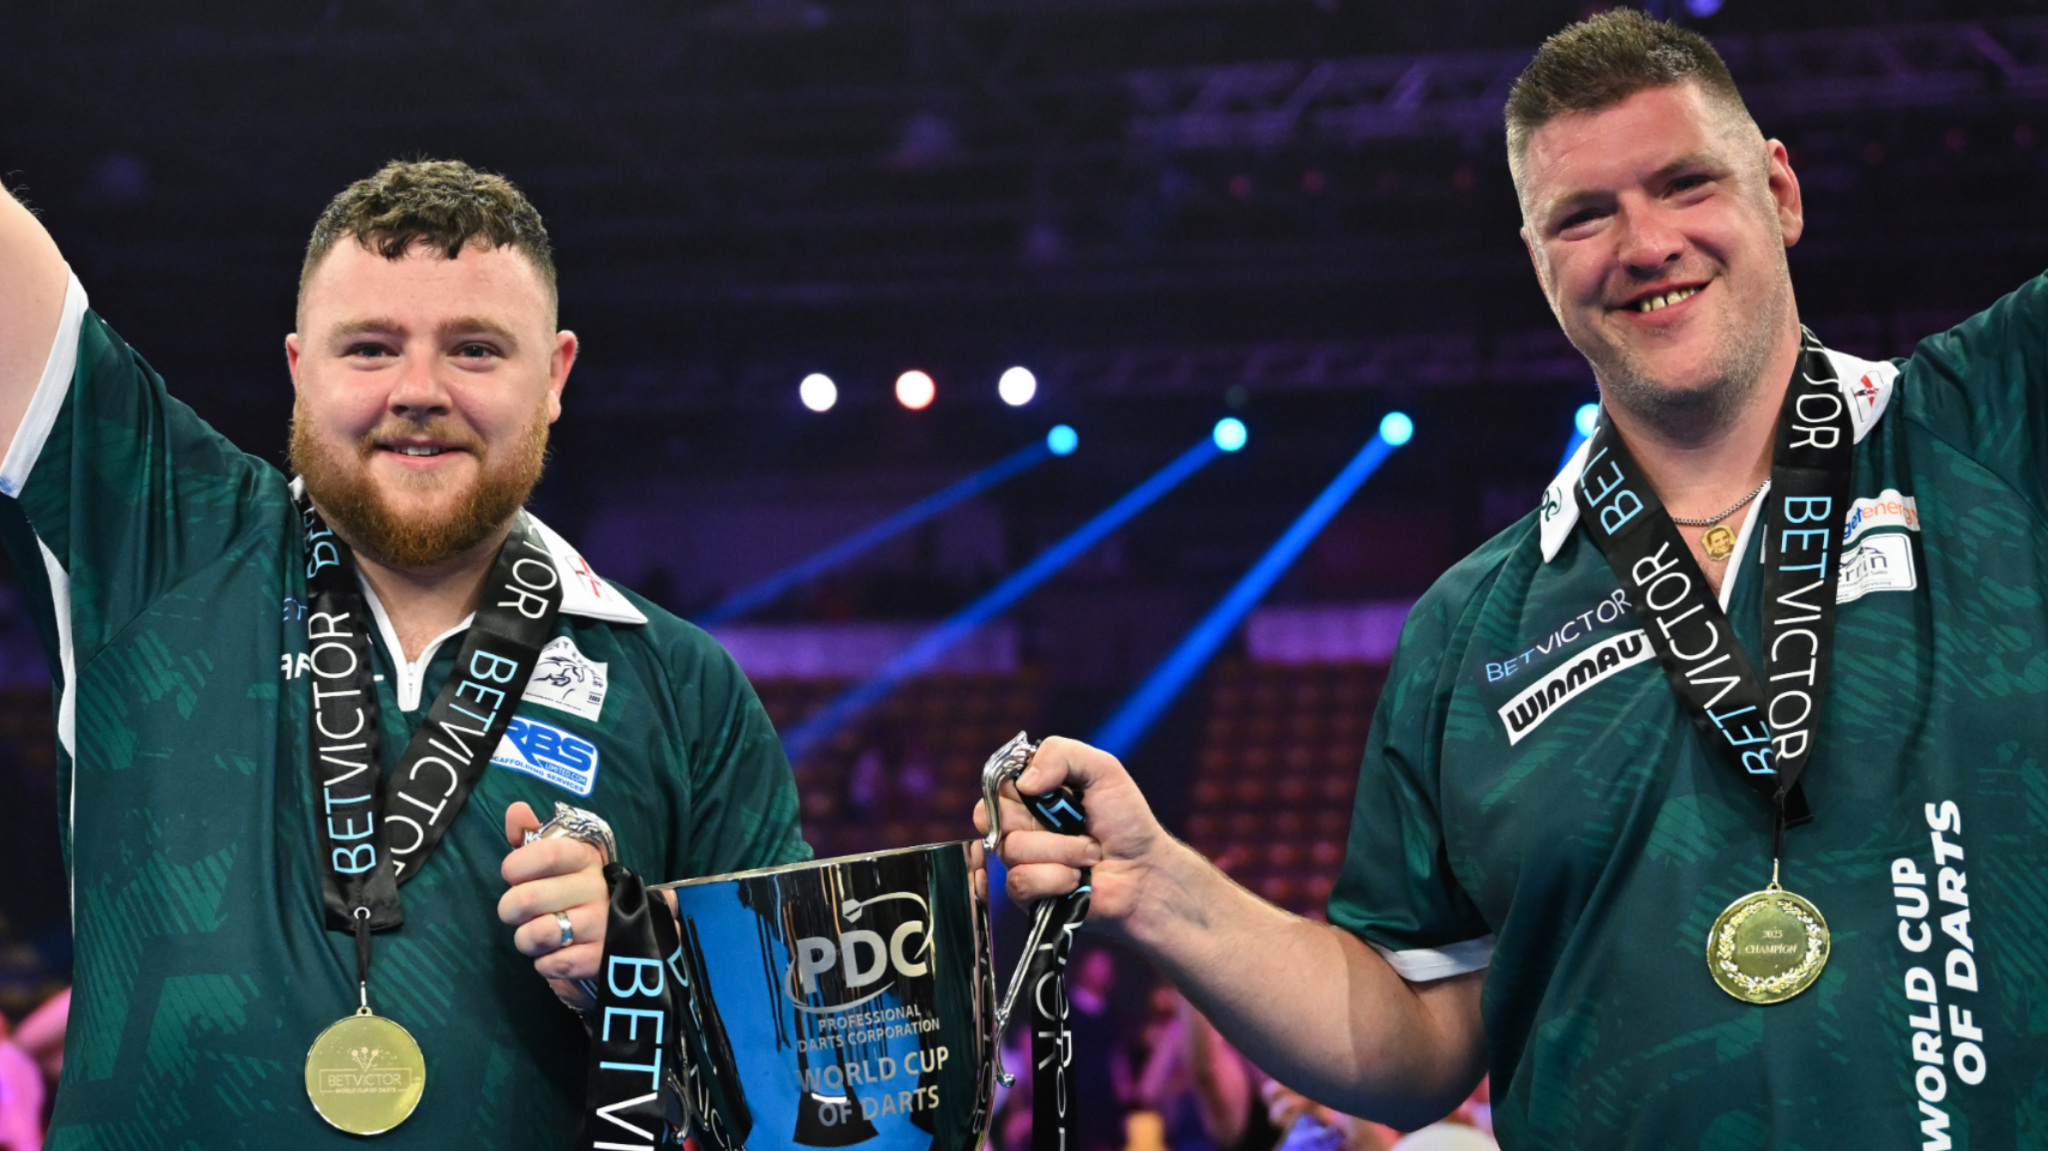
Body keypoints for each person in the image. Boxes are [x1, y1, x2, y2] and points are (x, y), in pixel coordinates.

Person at [981, 9, 2047, 1147]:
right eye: (1581, 216)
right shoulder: (1470, 626)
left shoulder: (1991, 417)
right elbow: (1413, 1038)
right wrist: (1157, 887)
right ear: (1539, 264)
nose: (1642, 243)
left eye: (1684, 183)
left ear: (1777, 192)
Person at [0, 159, 809, 1145]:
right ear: (298, 366)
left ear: (553, 375)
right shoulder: (156, 538)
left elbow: (809, 1083)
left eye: (474, 349)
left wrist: (651, 964)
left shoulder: (682, 687)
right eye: (372, 347)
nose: (419, 390)